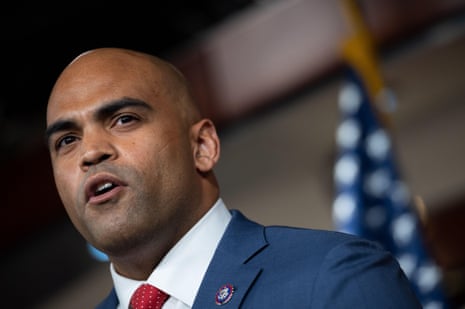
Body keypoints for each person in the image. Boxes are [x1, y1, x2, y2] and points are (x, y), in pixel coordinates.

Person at [45, 47, 421, 308]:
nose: (91, 151)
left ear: (203, 146)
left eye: (124, 119)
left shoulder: (334, 279)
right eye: (66, 140)